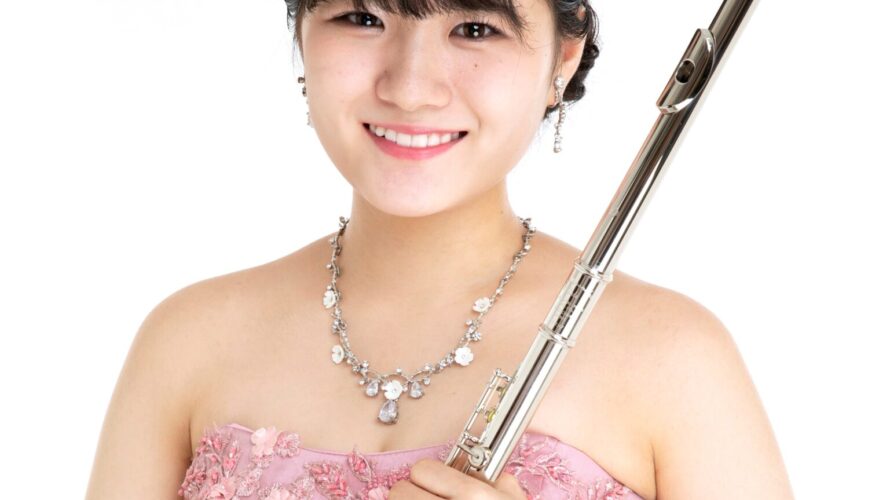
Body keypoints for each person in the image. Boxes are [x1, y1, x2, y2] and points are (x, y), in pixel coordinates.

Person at [86, 0, 794, 498]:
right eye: (362, 17)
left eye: (475, 28)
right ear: (302, 30)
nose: (410, 87)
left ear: (564, 56)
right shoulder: (188, 343)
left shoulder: (674, 359)